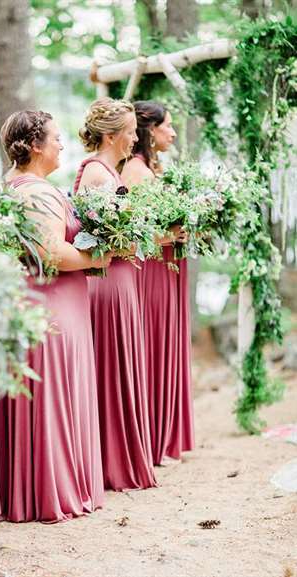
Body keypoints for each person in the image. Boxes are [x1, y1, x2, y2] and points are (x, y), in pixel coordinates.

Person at [0, 109, 109, 522]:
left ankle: (34, 486)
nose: (63, 144)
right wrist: (105, 253)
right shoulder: (37, 192)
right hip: (51, 307)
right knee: (53, 395)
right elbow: (51, 254)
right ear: (36, 145)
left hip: (44, 303)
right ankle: (52, 490)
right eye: (57, 138)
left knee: (48, 395)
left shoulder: (16, 185)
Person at [74, 97, 156, 491]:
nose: (135, 137)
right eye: (130, 131)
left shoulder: (109, 169)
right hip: (108, 282)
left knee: (123, 362)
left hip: (121, 277)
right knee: (113, 365)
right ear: (111, 135)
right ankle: (113, 461)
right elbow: (101, 239)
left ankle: (120, 456)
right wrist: (134, 235)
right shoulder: (96, 174)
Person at [122, 100, 194, 465]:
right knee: (153, 346)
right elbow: (136, 231)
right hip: (149, 269)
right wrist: (171, 236)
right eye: (168, 125)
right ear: (150, 130)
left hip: (168, 268)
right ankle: (151, 441)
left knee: (167, 344)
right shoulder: (135, 170)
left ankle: (164, 437)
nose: (174, 131)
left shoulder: (156, 167)